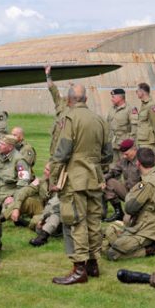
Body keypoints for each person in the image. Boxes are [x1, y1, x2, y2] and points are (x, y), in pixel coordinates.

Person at [48, 84, 112, 285]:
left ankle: (79, 268)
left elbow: (63, 151)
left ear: (70, 100)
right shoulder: (100, 120)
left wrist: (53, 179)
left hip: (75, 178)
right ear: (85, 99)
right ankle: (94, 264)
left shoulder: (70, 118)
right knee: (94, 222)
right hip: (95, 177)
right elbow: (108, 153)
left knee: (75, 221)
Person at [102, 147, 155, 260]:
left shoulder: (146, 183)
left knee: (111, 252)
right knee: (108, 234)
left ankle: (152, 249)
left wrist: (131, 193)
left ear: (138, 163)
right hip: (152, 224)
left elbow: (130, 207)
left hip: (146, 229)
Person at [103, 139, 140, 222]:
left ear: (134, 150)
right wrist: (102, 180)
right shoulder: (124, 160)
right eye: (123, 154)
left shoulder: (142, 159)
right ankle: (118, 212)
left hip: (140, 195)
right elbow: (114, 171)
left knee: (129, 221)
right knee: (109, 182)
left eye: (126, 154)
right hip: (128, 192)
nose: (124, 156)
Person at [133, 82, 155, 150]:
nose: (136, 93)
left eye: (137, 91)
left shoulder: (152, 105)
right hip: (141, 140)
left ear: (142, 92)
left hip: (148, 142)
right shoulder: (143, 105)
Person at [107, 88, 133, 154]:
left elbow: (135, 128)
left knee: (124, 163)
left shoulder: (130, 109)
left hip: (124, 145)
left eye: (113, 97)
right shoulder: (112, 109)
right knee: (113, 164)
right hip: (112, 144)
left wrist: (131, 143)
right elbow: (107, 124)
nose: (111, 99)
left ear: (120, 97)